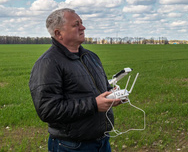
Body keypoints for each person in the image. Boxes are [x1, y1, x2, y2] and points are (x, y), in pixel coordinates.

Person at [29, 8, 122, 152]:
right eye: (76, 24)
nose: (83, 27)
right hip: (71, 146)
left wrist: (112, 96)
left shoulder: (91, 57)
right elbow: (48, 110)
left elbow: (102, 89)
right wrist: (94, 105)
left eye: (82, 23)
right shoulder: (48, 63)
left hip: (102, 140)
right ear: (58, 33)